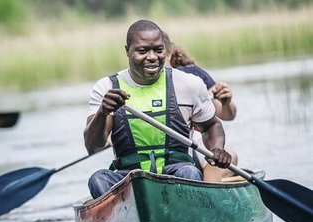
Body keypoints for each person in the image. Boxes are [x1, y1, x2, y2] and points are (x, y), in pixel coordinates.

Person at [84, 19, 232, 199]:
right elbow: (93, 146)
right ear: (127, 51)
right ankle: (129, 217)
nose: (152, 57)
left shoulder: (188, 84)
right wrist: (103, 112)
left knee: (190, 173)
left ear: (166, 50)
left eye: (158, 50)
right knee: (97, 179)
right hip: (129, 179)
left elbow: (211, 126)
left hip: (177, 173)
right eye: (142, 50)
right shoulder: (106, 87)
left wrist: (217, 149)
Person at [163, 32, 239, 181]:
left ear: (169, 53)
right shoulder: (139, 82)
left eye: (159, 51)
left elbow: (226, 114)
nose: (153, 58)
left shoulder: (192, 75)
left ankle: (209, 193)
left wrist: (226, 102)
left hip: (195, 138)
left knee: (228, 157)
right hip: (163, 146)